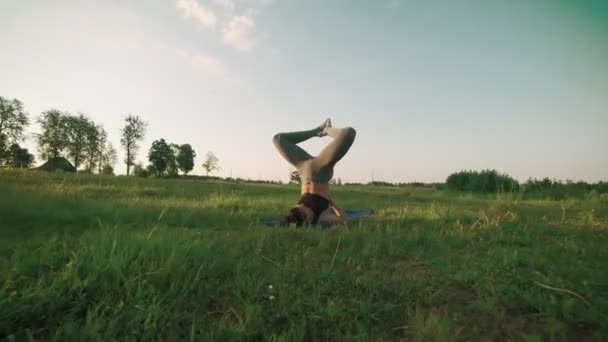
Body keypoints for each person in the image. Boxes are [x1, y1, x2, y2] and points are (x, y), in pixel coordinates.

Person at [273, 119, 356, 227]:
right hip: (321, 169)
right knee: (349, 133)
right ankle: (327, 130)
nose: (303, 205)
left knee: (278, 139)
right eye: (306, 211)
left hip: (303, 167)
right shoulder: (322, 217)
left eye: (299, 207)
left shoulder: (295, 213)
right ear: (309, 219)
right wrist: (333, 203)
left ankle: (317, 131)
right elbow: (344, 219)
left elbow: (292, 216)